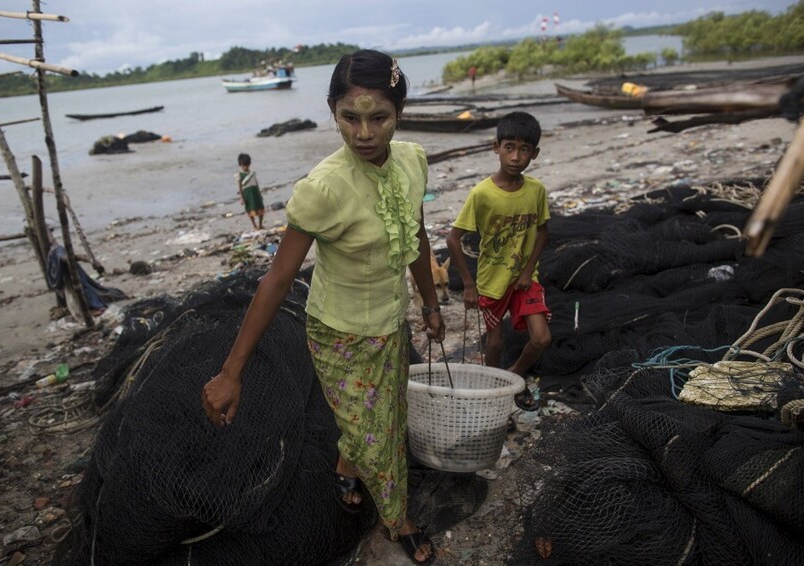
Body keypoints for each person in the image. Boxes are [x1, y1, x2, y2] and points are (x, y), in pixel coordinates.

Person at [202, 49, 443, 565]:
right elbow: (278, 278)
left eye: (378, 117)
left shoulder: (413, 161)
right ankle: (397, 518)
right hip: (339, 334)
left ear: (399, 111)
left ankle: (345, 467)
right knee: (377, 433)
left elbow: (419, 236)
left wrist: (429, 304)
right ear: (332, 111)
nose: (363, 133)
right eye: (349, 118)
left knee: (384, 416)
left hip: (390, 323)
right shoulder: (325, 189)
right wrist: (231, 372)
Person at [445, 111, 551, 411]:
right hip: (492, 281)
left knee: (541, 338)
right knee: (494, 343)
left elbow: (543, 234)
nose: (516, 157)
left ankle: (512, 376)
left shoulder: (536, 191)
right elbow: (453, 239)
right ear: (496, 148)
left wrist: (528, 271)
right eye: (509, 147)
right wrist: (468, 284)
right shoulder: (482, 194)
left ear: (535, 153)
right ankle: (491, 392)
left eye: (524, 149)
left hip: (525, 281)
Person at [235, 152, 265, 229]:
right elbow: (240, 187)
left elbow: (256, 183)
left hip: (255, 192)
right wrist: (242, 197)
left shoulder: (252, 173)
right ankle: (254, 225)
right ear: (240, 165)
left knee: (260, 207)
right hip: (247, 194)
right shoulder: (239, 175)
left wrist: (259, 193)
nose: (246, 167)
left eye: (247, 165)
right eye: (244, 165)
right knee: (250, 209)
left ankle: (260, 224)